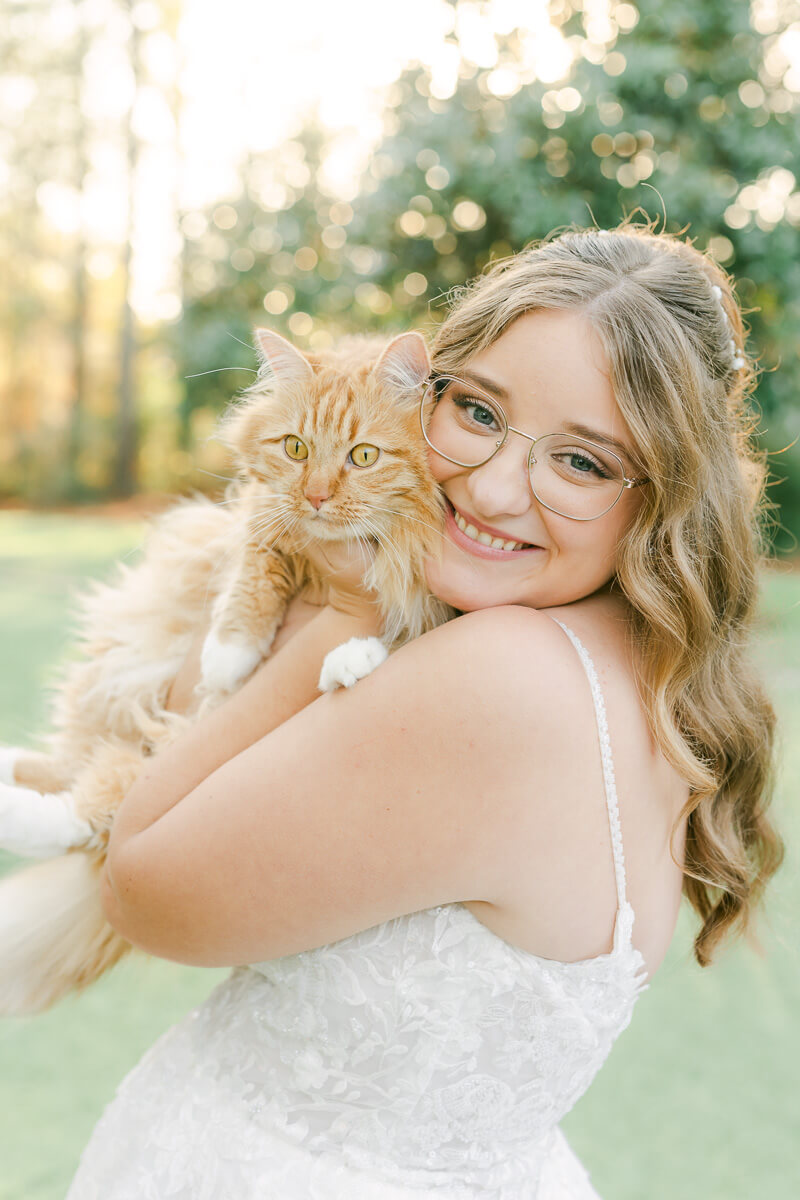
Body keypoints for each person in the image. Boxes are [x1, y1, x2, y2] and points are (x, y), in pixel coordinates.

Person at [65, 225, 782, 1199]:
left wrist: (352, 607)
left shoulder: (495, 677)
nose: (489, 487)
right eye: (477, 410)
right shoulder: (637, 658)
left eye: (580, 462)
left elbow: (142, 886)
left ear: (664, 495)